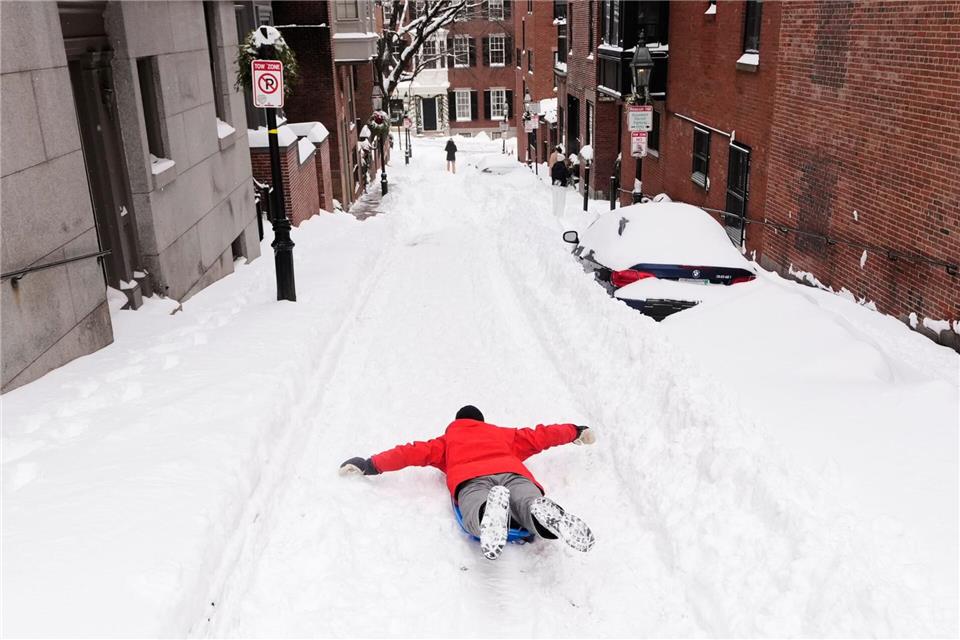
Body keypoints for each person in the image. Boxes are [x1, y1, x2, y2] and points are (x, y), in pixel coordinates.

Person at [340, 405, 596, 560]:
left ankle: (487, 513)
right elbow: (542, 435)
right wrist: (575, 431)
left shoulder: (446, 442)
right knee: (527, 497)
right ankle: (539, 512)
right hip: (513, 473)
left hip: (471, 478)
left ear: (456, 422)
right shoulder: (504, 435)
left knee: (475, 505)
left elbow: (409, 452)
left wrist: (370, 464)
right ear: (481, 422)